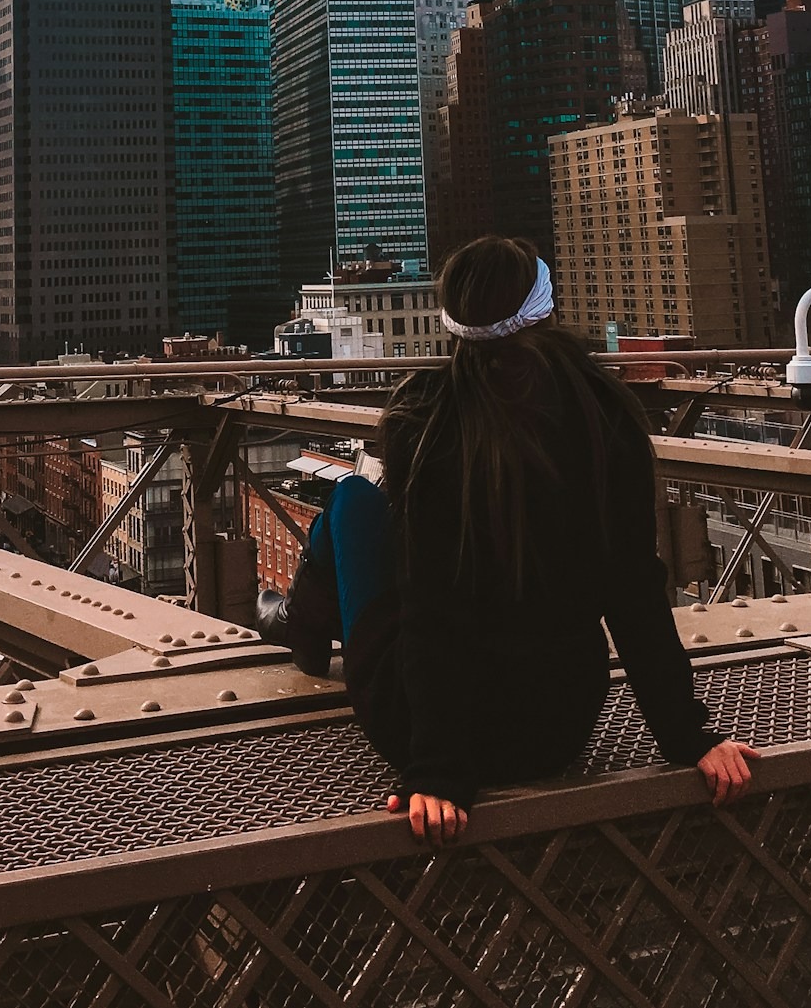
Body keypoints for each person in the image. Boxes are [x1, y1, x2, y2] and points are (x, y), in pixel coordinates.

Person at [258, 235, 760, 845]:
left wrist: (438, 770)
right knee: (371, 516)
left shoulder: (426, 416)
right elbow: (634, 591)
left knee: (355, 501)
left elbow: (432, 608)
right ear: (545, 312)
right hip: (558, 727)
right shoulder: (605, 415)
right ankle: (298, 620)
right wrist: (691, 739)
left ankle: (299, 626)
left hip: (426, 728)